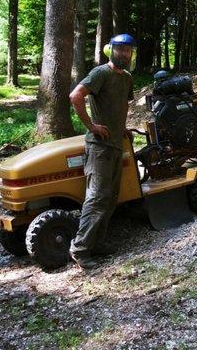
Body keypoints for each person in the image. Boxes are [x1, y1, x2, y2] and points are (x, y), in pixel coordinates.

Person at [69, 33, 137, 269]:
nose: (125, 54)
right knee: (97, 197)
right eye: (121, 50)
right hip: (98, 147)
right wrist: (92, 126)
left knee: (110, 197)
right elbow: (75, 96)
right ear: (111, 51)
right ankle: (80, 248)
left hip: (116, 145)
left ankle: (97, 243)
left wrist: (123, 127)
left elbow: (122, 106)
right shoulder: (101, 73)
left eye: (129, 50)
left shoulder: (127, 78)